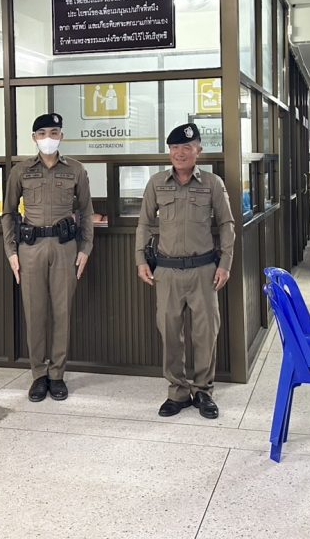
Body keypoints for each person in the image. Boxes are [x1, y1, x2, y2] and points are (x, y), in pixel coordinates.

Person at [135, 123, 235, 419]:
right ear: (169, 151)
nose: (180, 153)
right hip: (166, 272)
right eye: (175, 148)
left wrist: (225, 264)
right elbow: (144, 223)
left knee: (205, 333)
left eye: (187, 148)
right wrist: (141, 260)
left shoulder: (212, 183)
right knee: (170, 333)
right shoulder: (156, 183)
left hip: (204, 270)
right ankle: (177, 392)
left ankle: (203, 390)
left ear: (198, 151)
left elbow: (226, 224)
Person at [2, 113, 94, 402]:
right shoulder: (21, 171)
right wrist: (11, 251)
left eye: (54, 132)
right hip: (31, 249)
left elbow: (86, 211)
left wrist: (85, 248)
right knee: (35, 313)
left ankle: (57, 375)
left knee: (62, 313)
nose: (48, 138)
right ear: (34, 138)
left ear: (61, 136)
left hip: (64, 247)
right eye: (42, 133)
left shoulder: (76, 170)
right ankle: (38, 375)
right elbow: (8, 213)